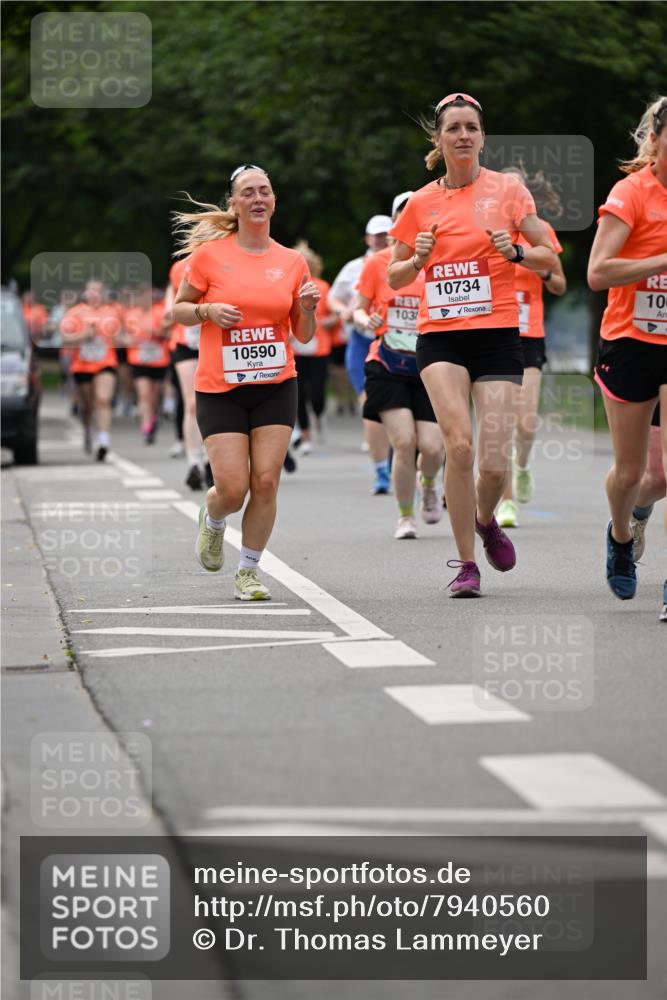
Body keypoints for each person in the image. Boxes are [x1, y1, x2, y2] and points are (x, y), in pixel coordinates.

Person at [388, 93, 557, 597]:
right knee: (458, 446)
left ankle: (487, 521)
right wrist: (416, 260)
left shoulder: (508, 191)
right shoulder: (419, 203)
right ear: (438, 140)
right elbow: (395, 276)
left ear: (483, 137)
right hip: (440, 336)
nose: (463, 135)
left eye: (471, 128)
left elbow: (548, 256)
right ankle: (466, 563)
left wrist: (519, 251)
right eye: (453, 128)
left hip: (498, 336)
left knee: (493, 462)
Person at [172, 164, 320, 601]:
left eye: (265, 192)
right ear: (234, 204)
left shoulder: (291, 262)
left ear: (274, 201)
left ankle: (249, 572)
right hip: (221, 388)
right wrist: (207, 312)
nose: (258, 199)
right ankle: (214, 518)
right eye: (248, 193)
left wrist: (307, 308)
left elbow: (303, 334)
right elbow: (178, 311)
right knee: (233, 489)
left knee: (268, 481)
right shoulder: (209, 257)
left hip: (276, 382)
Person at [588, 96, 667, 618]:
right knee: (633, 471)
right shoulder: (632, 193)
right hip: (632, 340)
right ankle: (621, 534)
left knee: (665, 476)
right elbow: (598, 271)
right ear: (657, 138)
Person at [354, 191, 444, 538]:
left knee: (434, 448)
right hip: (387, 363)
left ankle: (430, 482)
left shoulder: (441, 258)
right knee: (405, 442)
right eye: (404, 214)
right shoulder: (378, 262)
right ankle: (405, 516)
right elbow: (359, 308)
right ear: (395, 223)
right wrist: (365, 321)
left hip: (430, 365)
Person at [496, 164, 567, 528]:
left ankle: (521, 467)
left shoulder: (542, 233)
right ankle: (507, 500)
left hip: (531, 335)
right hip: (495, 332)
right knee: (503, 423)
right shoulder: (487, 231)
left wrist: (540, 268)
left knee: (525, 425)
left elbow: (559, 286)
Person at [329, 216, 393, 493]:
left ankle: (395, 456)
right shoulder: (355, 267)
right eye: (374, 235)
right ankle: (381, 472)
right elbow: (333, 296)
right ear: (367, 238)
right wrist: (342, 311)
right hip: (361, 341)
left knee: (395, 406)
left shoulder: (402, 264)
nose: (379, 239)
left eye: (384, 234)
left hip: (394, 341)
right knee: (370, 401)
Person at [60, 279, 121, 460]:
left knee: (103, 400)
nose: (94, 294)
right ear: (85, 293)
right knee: (87, 405)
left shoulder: (111, 311)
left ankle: (103, 441)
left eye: (98, 290)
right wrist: (82, 336)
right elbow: (65, 337)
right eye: (91, 290)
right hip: (82, 364)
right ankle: (87, 429)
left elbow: (120, 335)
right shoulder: (75, 312)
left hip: (105, 362)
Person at [165, 255, 208, 487]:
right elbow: (172, 303)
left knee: (218, 400)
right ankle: (194, 463)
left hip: (217, 341)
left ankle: (213, 459)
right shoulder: (180, 267)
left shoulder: (228, 260)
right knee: (192, 403)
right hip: (186, 342)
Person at [291, 241, 336, 454]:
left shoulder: (324, 286)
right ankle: (306, 434)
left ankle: (318, 414)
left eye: (307, 263)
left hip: (320, 348)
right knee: (299, 393)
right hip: (295, 348)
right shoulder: (288, 285)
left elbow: (334, 313)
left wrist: (329, 321)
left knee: (317, 393)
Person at [124, 285, 171, 444]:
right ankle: (146, 426)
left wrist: (155, 333)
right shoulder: (131, 314)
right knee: (144, 394)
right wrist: (129, 340)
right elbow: (123, 335)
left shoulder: (159, 311)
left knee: (155, 396)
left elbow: (168, 332)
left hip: (158, 359)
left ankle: (154, 418)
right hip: (138, 359)